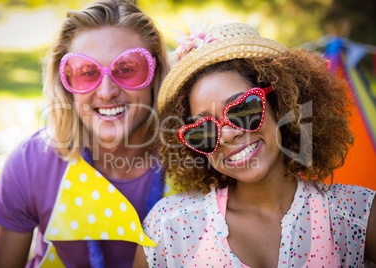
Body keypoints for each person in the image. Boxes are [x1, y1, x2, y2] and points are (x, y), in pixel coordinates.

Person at [133, 22, 376, 267]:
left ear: (281, 103)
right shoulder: (169, 228)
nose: (227, 135)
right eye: (203, 129)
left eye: (242, 109)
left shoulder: (358, 216)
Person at [0, 0, 171, 267]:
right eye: (86, 72)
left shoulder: (192, 163)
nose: (107, 91)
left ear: (155, 75)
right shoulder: (29, 164)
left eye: (127, 69)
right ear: (66, 84)